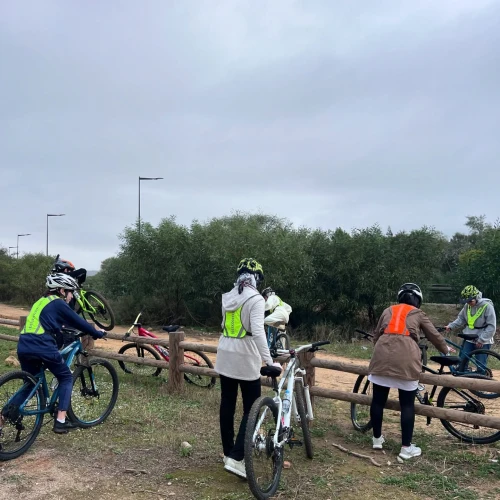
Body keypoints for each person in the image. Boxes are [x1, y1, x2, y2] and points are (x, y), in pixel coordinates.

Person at [0, 273, 105, 435]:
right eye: (71, 292)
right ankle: (61, 421)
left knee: (29, 385)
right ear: (62, 291)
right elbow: (79, 322)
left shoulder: (40, 302)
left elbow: (49, 322)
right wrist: (97, 333)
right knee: (66, 377)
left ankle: (2, 419)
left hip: (24, 346)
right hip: (42, 346)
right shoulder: (58, 303)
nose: (71, 297)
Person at [367, 283, 453, 460]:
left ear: (400, 298)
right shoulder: (418, 313)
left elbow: (377, 334)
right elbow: (433, 335)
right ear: (418, 300)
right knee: (407, 405)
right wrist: (445, 349)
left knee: (377, 401)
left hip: (381, 354)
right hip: (406, 358)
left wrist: (380, 348)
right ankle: (406, 448)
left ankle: (376, 439)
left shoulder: (387, 310)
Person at [215, 258, 281, 479]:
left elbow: (227, 326)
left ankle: (228, 453)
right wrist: (270, 362)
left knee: (227, 404)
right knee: (252, 408)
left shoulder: (228, 296)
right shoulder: (256, 299)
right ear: (257, 278)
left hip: (225, 354)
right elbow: (258, 332)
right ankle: (237, 458)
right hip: (245, 357)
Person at [445, 285, 496, 370]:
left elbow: (491, 326)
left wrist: (482, 339)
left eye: (470, 301)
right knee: (461, 363)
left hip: (483, 339)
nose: (469, 303)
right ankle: (463, 377)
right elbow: (461, 319)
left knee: (480, 366)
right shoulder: (467, 306)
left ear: (476, 297)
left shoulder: (487, 307)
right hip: (469, 337)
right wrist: (451, 326)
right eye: (467, 302)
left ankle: (482, 379)